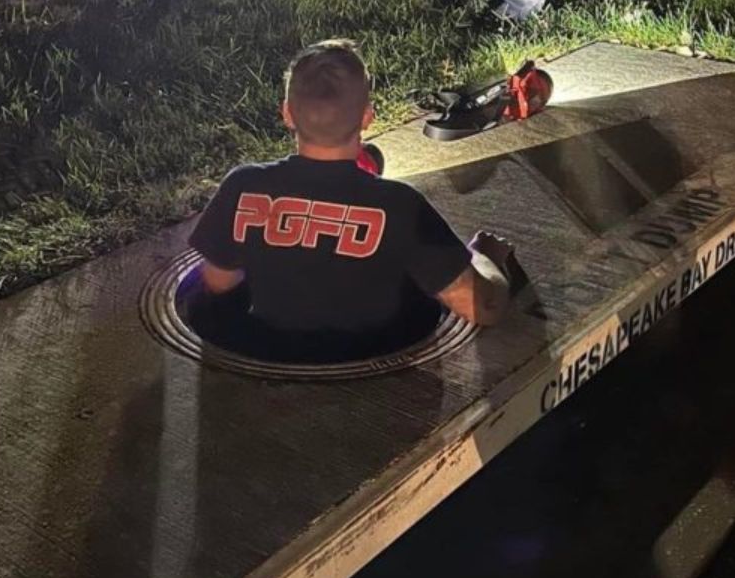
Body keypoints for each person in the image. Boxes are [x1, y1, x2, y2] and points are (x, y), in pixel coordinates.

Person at [189, 39, 518, 363]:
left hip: (269, 350)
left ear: (287, 114)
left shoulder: (242, 185)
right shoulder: (400, 206)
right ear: (367, 117)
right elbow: (484, 308)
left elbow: (218, 284)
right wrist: (485, 256)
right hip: (376, 359)